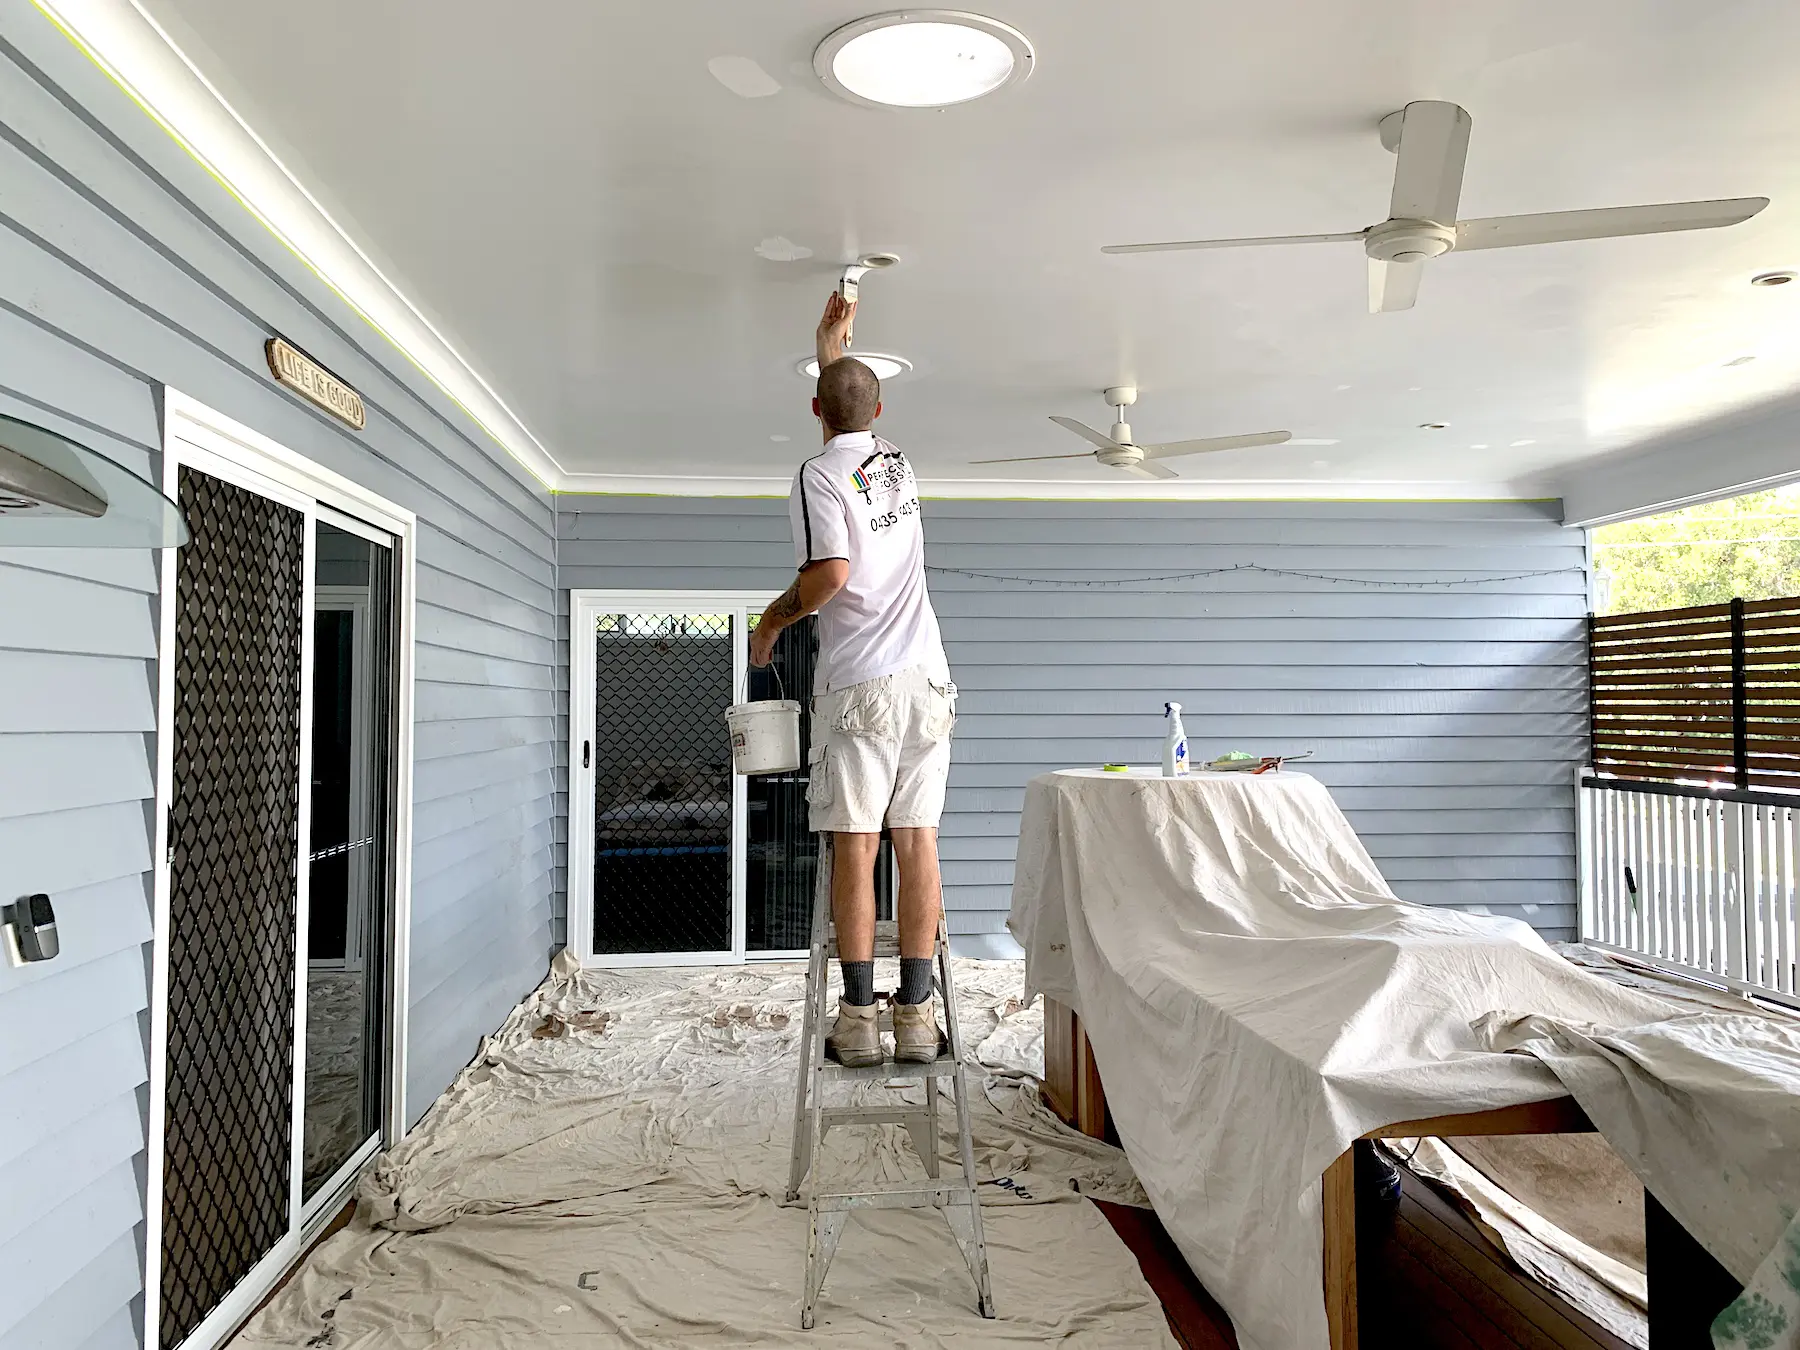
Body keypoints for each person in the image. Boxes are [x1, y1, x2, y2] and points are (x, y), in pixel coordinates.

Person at [749, 293, 956, 1067]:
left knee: (855, 845)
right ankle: (918, 1017)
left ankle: (861, 1021)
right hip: (928, 683)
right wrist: (831, 342)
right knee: (917, 844)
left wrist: (771, 625)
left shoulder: (817, 473)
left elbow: (830, 573)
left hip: (863, 686)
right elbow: (850, 405)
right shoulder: (895, 464)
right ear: (881, 407)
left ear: (814, 409)